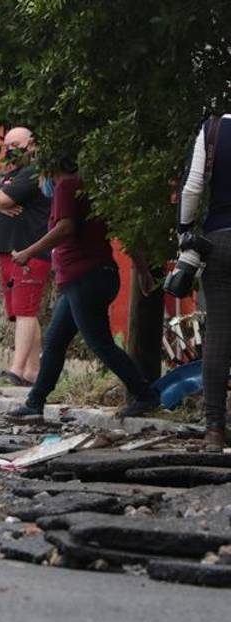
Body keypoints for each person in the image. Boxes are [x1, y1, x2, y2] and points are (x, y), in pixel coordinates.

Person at [8, 162, 160, 420]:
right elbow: (121, 229)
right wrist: (143, 270)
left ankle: (145, 395)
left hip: (84, 277)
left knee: (100, 344)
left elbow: (65, 227)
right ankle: (35, 402)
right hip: (91, 277)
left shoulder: (66, 186)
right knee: (55, 340)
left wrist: (28, 252)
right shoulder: (90, 189)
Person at [178, 112, 231, 451]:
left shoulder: (213, 129)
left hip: (221, 241)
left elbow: (194, 186)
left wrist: (184, 231)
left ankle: (214, 429)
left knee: (219, 333)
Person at [0, 127, 52, 385]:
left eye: (17, 144)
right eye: (8, 145)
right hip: (8, 249)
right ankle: (32, 370)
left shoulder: (33, 172)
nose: (11, 150)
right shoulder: (14, 174)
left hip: (28, 250)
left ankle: (16, 369)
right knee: (21, 312)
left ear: (31, 144)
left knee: (25, 310)